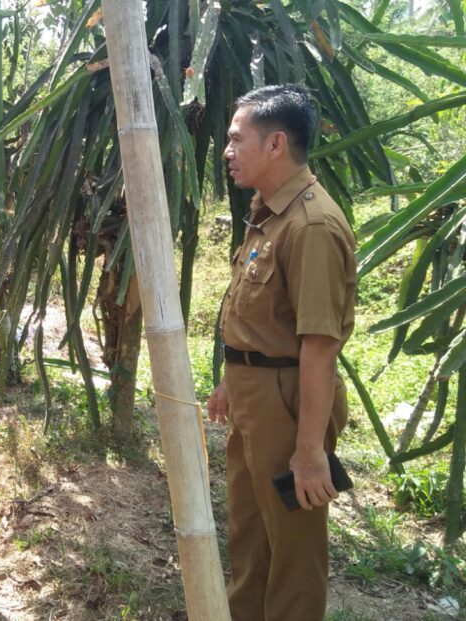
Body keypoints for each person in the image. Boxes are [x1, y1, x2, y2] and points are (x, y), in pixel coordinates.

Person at [206, 84, 356, 621]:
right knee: (251, 534)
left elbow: (319, 347)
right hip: (254, 395)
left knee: (292, 549)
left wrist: (310, 452)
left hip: (289, 402)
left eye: (235, 139)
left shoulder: (311, 226)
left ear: (275, 144)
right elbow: (258, 315)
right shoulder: (268, 212)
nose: (227, 150)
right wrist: (232, 378)